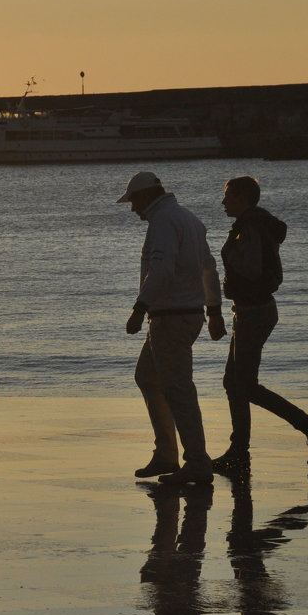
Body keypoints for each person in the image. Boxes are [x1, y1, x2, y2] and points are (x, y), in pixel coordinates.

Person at [211, 176, 308, 472]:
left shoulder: (250, 227)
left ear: (242, 198)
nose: (223, 202)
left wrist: (227, 261)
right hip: (251, 310)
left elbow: (250, 269)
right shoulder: (252, 224)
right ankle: (238, 451)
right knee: (233, 383)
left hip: (254, 312)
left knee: (245, 385)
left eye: (228, 196)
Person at [118, 171, 225, 485]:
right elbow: (209, 267)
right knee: (148, 377)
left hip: (170, 317)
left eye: (134, 201)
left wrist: (139, 308)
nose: (133, 209)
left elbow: (161, 269)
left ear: (146, 196)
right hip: (185, 315)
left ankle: (196, 462)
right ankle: (166, 453)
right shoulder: (189, 219)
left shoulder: (164, 221)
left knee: (178, 390)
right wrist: (214, 311)